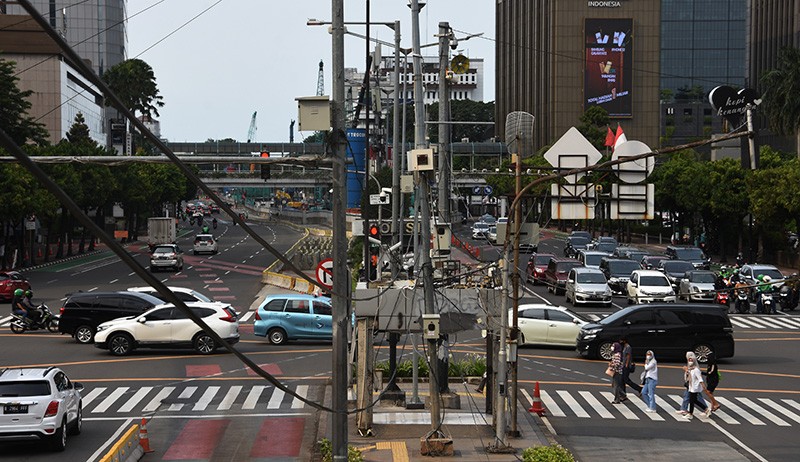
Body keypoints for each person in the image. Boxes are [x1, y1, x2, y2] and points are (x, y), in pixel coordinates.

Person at [685, 354, 711, 420]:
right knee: (694, 400)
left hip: (695, 387)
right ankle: (706, 409)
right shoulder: (691, 369)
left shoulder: (696, 370)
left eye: (691, 360)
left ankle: (690, 414)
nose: (690, 361)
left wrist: (703, 386)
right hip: (691, 386)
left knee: (691, 400)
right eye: (689, 360)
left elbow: (700, 378)